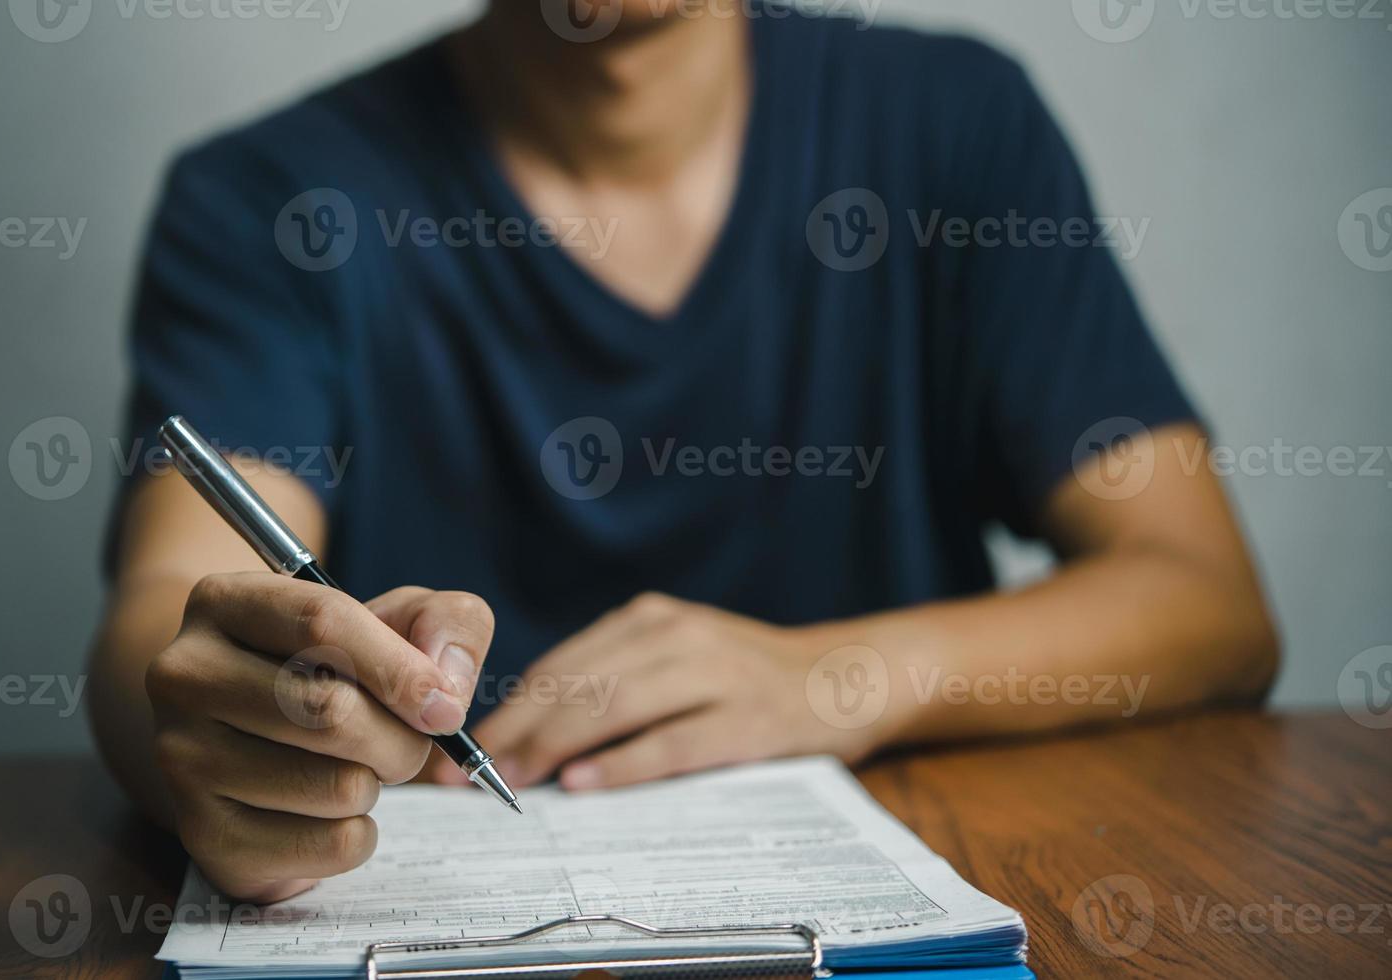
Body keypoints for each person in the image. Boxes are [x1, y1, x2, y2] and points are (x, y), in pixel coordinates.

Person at [87, 1, 1278, 904]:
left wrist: (832, 678)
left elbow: (1200, 595)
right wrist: (210, 740)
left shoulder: (956, 126)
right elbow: (167, 616)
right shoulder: (266, 199)